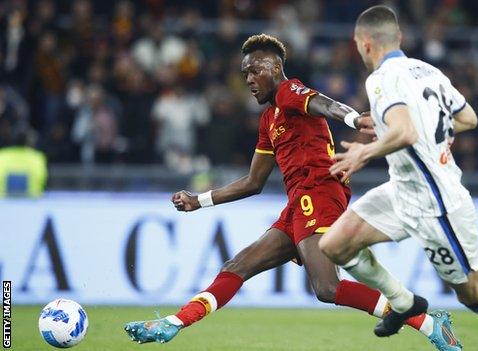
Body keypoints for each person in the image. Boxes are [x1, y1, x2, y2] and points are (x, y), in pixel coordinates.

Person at [124, 34, 460, 350]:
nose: (249, 80)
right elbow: (253, 182)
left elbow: (326, 105)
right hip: (298, 204)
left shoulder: (289, 91)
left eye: (254, 71)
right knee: (236, 266)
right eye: (244, 74)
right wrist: (200, 200)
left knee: (327, 288)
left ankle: (427, 323)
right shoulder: (268, 119)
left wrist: (356, 119)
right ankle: (174, 323)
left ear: (273, 68)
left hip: (320, 192)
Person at [319, 6, 478, 351]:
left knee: (475, 294)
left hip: (436, 203)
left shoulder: (380, 79)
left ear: (364, 44)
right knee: (334, 245)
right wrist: (413, 135)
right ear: (399, 39)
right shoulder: (428, 71)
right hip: (403, 189)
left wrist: (365, 151)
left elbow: (405, 132)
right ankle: (405, 304)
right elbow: (468, 118)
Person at [0, 130, 47, 197]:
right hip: (32, 202)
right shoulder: (37, 157)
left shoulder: (1, 155)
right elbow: (42, 179)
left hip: (3, 202)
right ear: (28, 142)